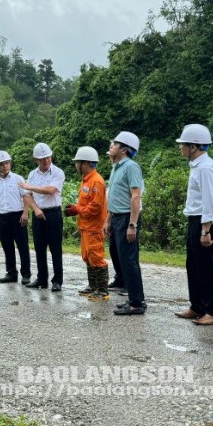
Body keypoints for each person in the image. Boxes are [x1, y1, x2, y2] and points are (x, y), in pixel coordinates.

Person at [174, 124, 213, 325]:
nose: (181, 148)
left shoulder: (205, 167)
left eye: (183, 145)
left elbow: (210, 201)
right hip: (196, 220)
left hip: (206, 222)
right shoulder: (197, 165)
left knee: (208, 268)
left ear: (194, 146)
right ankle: (198, 306)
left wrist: (206, 230)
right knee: (194, 266)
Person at [105, 131, 147, 316]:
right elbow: (113, 196)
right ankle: (133, 299)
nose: (110, 147)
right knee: (122, 259)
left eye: (114, 144)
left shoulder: (131, 167)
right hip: (116, 217)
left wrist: (132, 225)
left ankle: (137, 302)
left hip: (127, 218)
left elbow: (136, 196)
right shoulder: (116, 167)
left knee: (129, 260)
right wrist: (108, 219)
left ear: (123, 149)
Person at [64, 146, 109, 301]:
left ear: (85, 163)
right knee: (87, 256)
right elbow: (85, 203)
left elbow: (95, 207)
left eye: (78, 162)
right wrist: (76, 209)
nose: (76, 165)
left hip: (94, 227)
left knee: (96, 257)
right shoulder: (86, 180)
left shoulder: (97, 181)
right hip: (85, 226)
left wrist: (77, 209)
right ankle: (93, 286)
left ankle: (102, 290)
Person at [19, 143, 65, 291]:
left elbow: (51, 190)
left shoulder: (57, 172)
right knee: (39, 248)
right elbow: (27, 195)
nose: (46, 161)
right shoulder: (33, 174)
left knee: (55, 248)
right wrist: (36, 208)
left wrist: (30, 187)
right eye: (42, 159)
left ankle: (57, 280)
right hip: (38, 213)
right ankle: (42, 278)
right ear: (36, 160)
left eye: (48, 157)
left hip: (53, 213)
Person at [0, 151, 32, 284]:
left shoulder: (18, 179)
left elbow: (26, 197)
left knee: (23, 246)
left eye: (6, 163)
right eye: (1, 164)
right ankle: (11, 273)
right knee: (7, 247)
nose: (5, 166)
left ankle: (26, 274)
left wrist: (25, 213)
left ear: (10, 163)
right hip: (2, 217)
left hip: (17, 216)